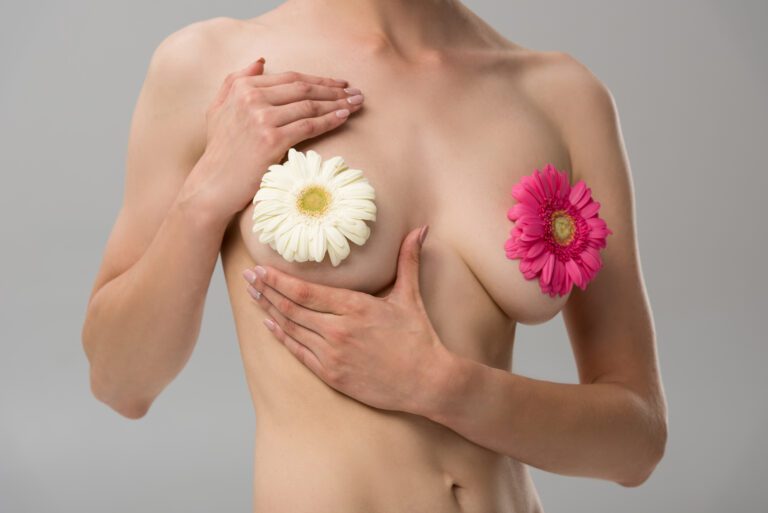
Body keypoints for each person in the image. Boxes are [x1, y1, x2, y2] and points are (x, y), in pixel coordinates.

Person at [81, 0, 668, 511]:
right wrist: (203, 198)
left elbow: (636, 444)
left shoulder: (562, 95)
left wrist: (444, 386)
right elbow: (120, 381)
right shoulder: (210, 65)